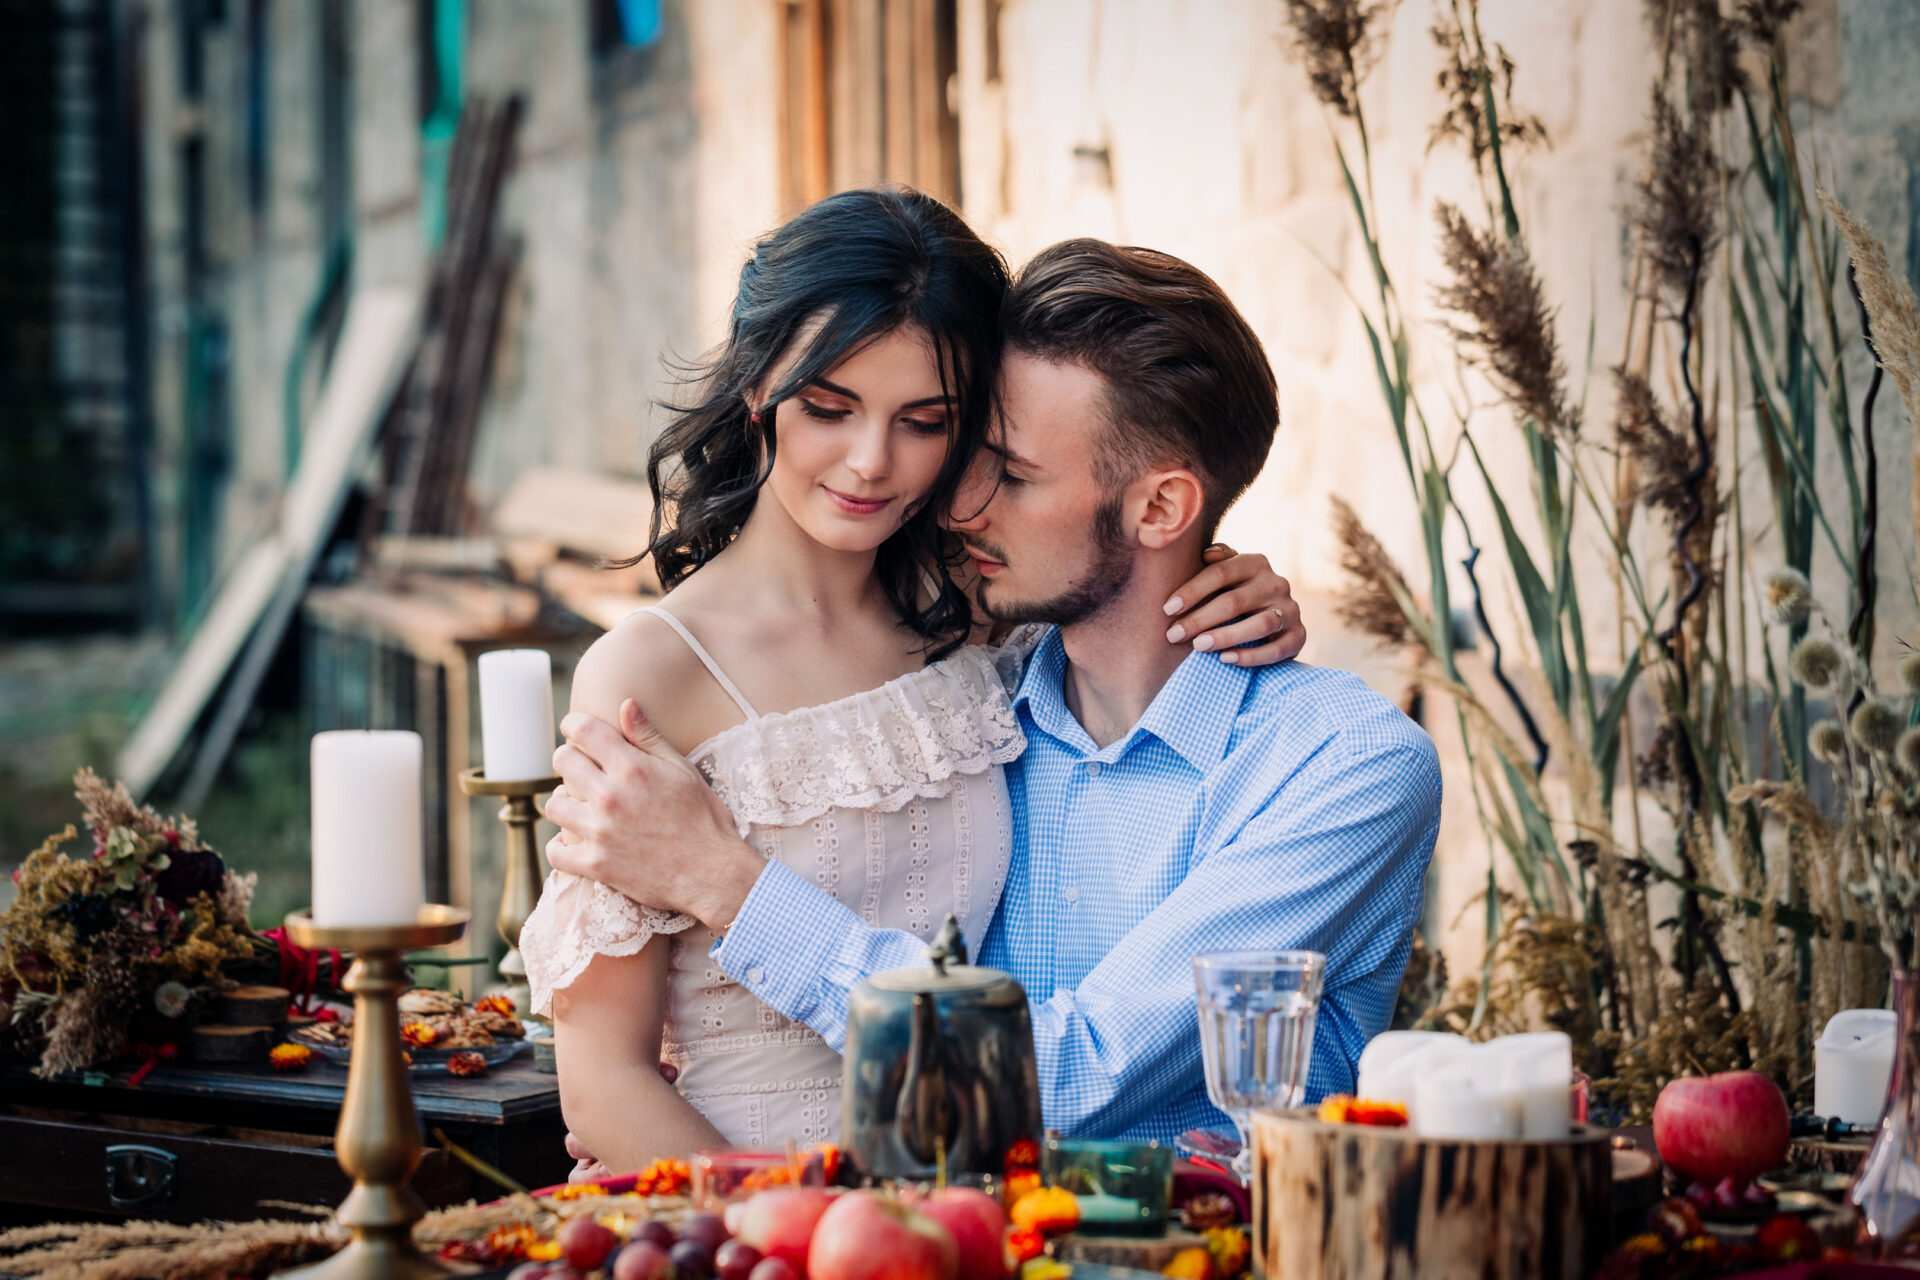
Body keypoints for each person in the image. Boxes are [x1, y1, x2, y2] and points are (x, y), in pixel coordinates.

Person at [546, 236, 1443, 1148]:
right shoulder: (989, 690)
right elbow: (606, 1074)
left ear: (1161, 510)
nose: (954, 502)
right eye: (969, 452)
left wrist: (730, 884)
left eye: (1006, 471)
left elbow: (1069, 1072)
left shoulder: (1341, 765)